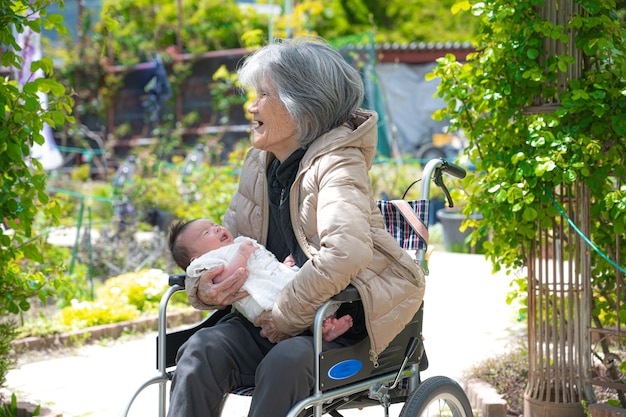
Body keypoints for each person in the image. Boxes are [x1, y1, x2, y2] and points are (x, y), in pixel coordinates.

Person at [167, 36, 425, 417]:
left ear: (302, 104)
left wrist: (287, 315)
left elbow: (346, 253)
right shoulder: (259, 162)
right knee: (200, 351)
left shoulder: (338, 163)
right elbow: (224, 242)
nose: (250, 106)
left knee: (284, 362)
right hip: (272, 319)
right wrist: (204, 288)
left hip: (340, 322)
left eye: (263, 95)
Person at [168, 218, 354, 342]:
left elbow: (264, 264)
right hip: (264, 306)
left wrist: (283, 266)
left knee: (310, 294)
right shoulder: (210, 261)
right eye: (206, 233)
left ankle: (326, 328)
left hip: (283, 285)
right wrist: (240, 256)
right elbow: (224, 277)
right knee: (202, 347)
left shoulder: (236, 244)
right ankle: (321, 329)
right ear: (196, 259)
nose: (216, 228)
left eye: (214, 225)